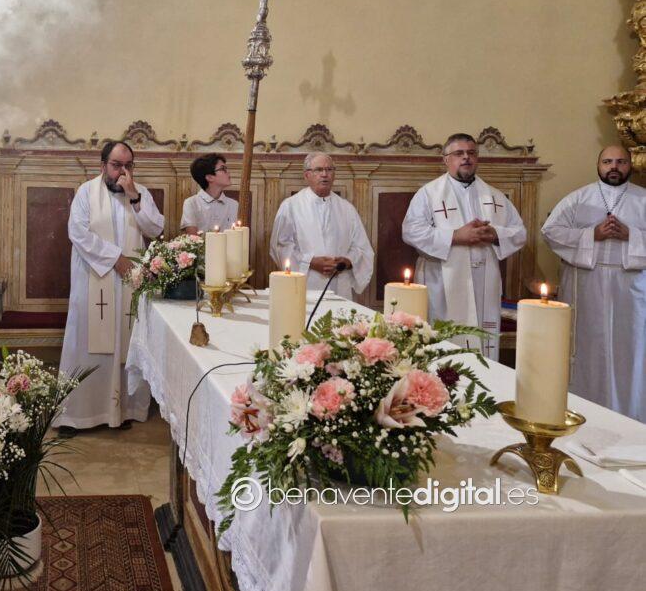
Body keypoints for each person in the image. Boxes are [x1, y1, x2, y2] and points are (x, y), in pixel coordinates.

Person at [54, 141, 164, 435]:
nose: (122, 172)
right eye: (116, 165)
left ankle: (123, 410)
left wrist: (135, 198)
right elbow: (78, 232)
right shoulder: (86, 192)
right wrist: (116, 258)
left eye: (128, 166)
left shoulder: (140, 193)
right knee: (85, 345)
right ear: (103, 165)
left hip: (130, 285)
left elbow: (155, 229)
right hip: (94, 279)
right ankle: (75, 416)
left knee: (126, 344)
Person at [541, 145, 646, 421]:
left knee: (631, 351)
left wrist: (631, 235)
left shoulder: (642, 199)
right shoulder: (577, 199)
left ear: (630, 165)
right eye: (607, 161)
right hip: (586, 285)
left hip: (632, 289)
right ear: (598, 165)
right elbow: (550, 232)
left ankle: (630, 417)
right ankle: (582, 413)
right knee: (588, 349)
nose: (614, 167)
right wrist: (592, 235)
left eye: (621, 161)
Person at [402, 133, 526, 358]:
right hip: (442, 280)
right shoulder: (429, 194)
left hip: (484, 282)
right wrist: (456, 236)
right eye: (459, 153)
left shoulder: (495, 196)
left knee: (482, 342)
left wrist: (495, 234)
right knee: (444, 343)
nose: (466, 157)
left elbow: (519, 232)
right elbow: (411, 231)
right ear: (446, 159)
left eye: (471, 153)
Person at [269, 152, 373, 299]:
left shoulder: (346, 209)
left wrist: (348, 261)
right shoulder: (291, 206)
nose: (325, 174)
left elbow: (362, 248)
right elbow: (280, 246)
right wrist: (310, 262)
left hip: (339, 285)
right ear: (307, 175)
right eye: (318, 170)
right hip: (305, 285)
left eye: (329, 169)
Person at [180, 153, 239, 234]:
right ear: (209, 177)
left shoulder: (234, 205)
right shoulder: (191, 203)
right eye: (223, 169)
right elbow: (192, 238)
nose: (228, 172)